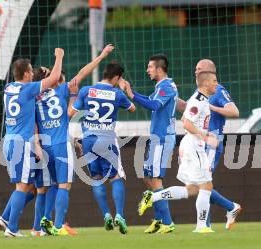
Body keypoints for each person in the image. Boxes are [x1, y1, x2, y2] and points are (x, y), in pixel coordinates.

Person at [31, 45, 115, 236]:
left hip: (45, 146)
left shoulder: (33, 97)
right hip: (61, 144)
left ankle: (45, 225)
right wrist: (100, 56)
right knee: (64, 185)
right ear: (49, 79)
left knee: (52, 185)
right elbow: (83, 72)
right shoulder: (60, 90)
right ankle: (59, 226)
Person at [137, 71, 221, 233]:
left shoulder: (202, 100)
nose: (217, 84)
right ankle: (202, 226)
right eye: (214, 81)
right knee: (206, 186)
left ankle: (153, 197)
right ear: (205, 83)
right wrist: (205, 137)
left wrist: (205, 133)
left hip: (192, 145)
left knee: (192, 189)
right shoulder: (198, 101)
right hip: (194, 146)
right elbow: (187, 124)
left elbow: (187, 120)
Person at [0, 48, 64, 237]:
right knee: (23, 186)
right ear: (27, 73)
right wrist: (58, 57)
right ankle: (12, 228)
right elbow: (54, 78)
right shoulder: (27, 89)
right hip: (23, 143)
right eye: (30, 70)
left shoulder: (8, 88)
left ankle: (6, 220)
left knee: (25, 185)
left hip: (9, 140)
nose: (31, 72)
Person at [119, 54, 184, 234]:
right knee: (148, 177)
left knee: (155, 180)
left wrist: (130, 94)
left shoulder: (166, 86)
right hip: (157, 138)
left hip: (163, 138)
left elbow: (154, 105)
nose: (147, 70)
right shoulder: (161, 86)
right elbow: (150, 100)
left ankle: (168, 222)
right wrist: (130, 92)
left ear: (159, 69)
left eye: (150, 67)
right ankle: (158, 220)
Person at [69, 61, 135, 234]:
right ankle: (119, 215)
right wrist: (125, 89)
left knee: (97, 178)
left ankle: (106, 215)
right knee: (115, 177)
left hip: (89, 140)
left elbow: (70, 113)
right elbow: (132, 109)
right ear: (116, 78)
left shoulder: (85, 91)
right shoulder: (117, 94)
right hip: (107, 140)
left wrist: (74, 97)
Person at [195, 59, 242, 229]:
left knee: (202, 183)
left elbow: (234, 111)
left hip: (212, 142)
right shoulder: (201, 91)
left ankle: (205, 225)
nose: (196, 71)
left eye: (199, 69)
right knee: (198, 183)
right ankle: (230, 207)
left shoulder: (218, 90)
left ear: (209, 71)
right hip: (200, 142)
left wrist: (213, 108)